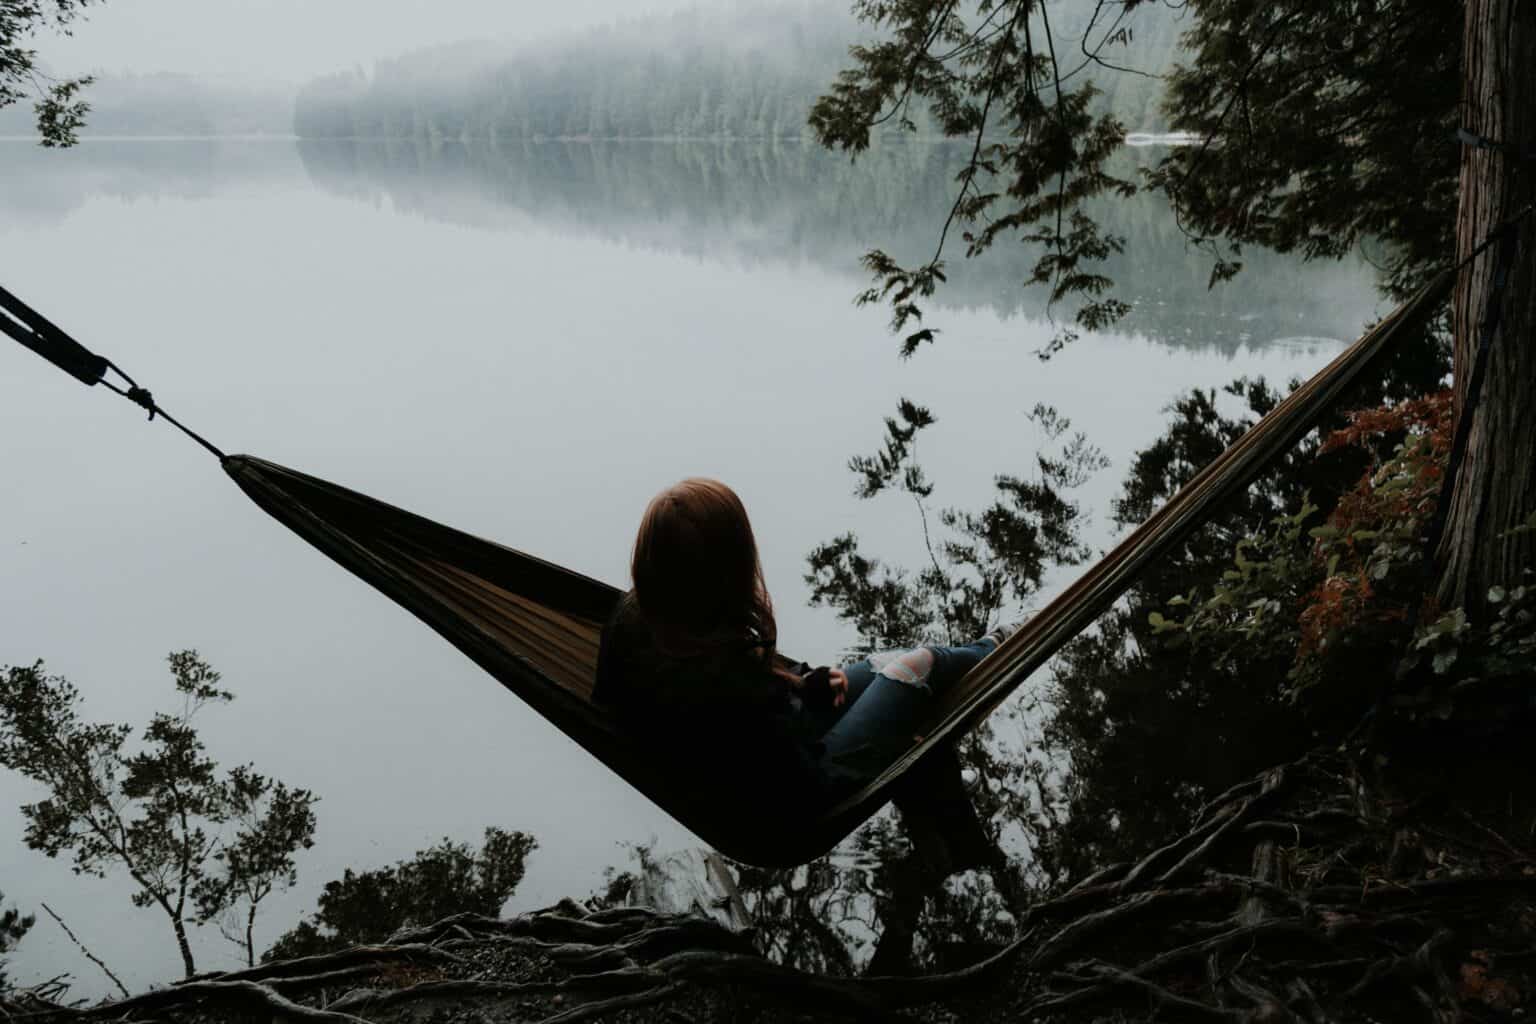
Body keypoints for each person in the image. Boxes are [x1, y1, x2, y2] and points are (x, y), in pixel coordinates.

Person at [594, 477, 1011, 835]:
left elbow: (732, 717)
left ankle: (943, 820)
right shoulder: (726, 690)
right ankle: (1003, 645)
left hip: (740, 757)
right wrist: (896, 751)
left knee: (887, 668)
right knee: (917, 669)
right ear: (729, 571)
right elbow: (804, 785)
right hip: (796, 797)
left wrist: (801, 688)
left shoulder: (639, 619)